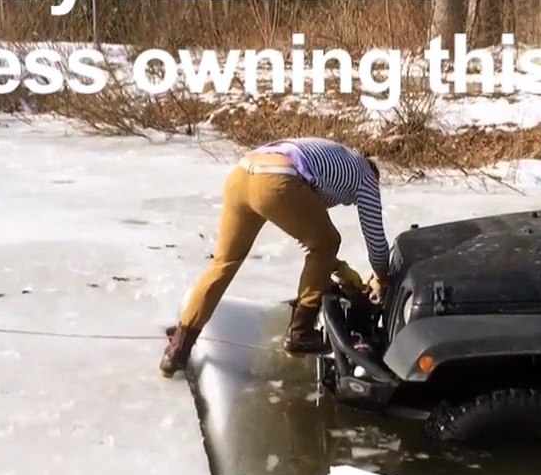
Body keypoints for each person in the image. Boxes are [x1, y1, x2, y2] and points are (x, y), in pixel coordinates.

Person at [158, 137, 390, 378]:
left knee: (224, 262)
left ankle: (177, 349)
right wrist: (382, 278)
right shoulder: (365, 178)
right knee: (329, 241)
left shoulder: (334, 159)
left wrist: (340, 269)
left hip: (241, 175)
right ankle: (300, 333)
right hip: (275, 179)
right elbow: (375, 241)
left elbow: (305, 234)